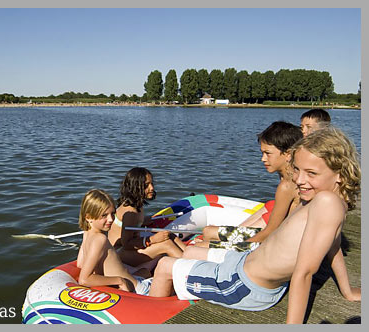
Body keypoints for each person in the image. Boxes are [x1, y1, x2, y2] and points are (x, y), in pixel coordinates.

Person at [149, 127, 361, 323]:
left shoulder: (326, 203)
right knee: (190, 252)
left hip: (242, 285)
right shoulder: (327, 199)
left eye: (311, 173)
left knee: (164, 266)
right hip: (244, 263)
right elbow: (335, 245)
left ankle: (150, 316)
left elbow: (304, 273)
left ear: (340, 175)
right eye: (296, 169)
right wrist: (347, 290)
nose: (299, 180)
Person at [196, 121, 303, 258]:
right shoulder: (289, 175)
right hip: (278, 236)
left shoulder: (288, 185)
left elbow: (270, 231)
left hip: (278, 243)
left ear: (288, 154)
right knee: (208, 231)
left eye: (267, 153)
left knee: (199, 247)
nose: (262, 159)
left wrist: (238, 246)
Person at [76, 189, 152, 295]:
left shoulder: (87, 233)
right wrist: (119, 280)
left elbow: (80, 264)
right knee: (163, 264)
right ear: (88, 217)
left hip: (132, 279)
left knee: (146, 271)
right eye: (104, 215)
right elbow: (83, 280)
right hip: (138, 289)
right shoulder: (100, 239)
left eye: (112, 214)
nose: (111, 219)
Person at [108, 167, 186, 268]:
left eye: (151, 183)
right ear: (135, 187)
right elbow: (126, 243)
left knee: (168, 234)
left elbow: (131, 226)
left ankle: (188, 254)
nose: (152, 188)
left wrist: (143, 221)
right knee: (166, 244)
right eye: (146, 185)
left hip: (126, 249)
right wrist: (152, 239)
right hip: (119, 253)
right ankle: (189, 269)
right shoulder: (130, 212)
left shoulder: (137, 205)